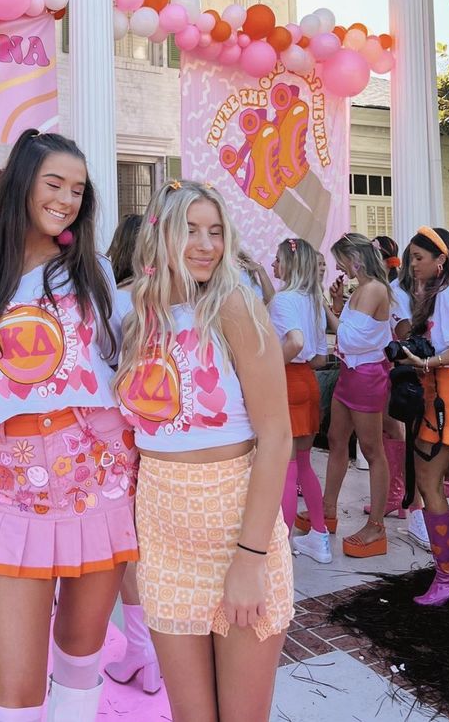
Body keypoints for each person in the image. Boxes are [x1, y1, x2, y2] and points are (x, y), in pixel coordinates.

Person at [0, 130, 138, 721]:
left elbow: (130, 370)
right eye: (54, 184)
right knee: (14, 687)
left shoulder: (96, 277)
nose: (67, 199)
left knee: (79, 658)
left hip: (101, 489)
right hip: (10, 498)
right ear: (21, 184)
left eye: (78, 189)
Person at [115, 180, 293, 722]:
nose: (205, 244)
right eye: (190, 230)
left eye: (215, 231)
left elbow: (278, 437)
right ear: (160, 234)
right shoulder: (135, 314)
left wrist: (250, 559)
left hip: (237, 534)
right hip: (165, 539)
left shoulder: (234, 305)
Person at [397, 227, 449, 606]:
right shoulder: (442, 294)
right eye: (411, 257)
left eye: (419, 258)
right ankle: (448, 577)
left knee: (428, 480)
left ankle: (447, 578)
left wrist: (430, 361)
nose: (412, 265)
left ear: (440, 260)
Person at [304, 233, 392, 557]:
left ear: (355, 257)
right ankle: (328, 510)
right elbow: (351, 332)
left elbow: (350, 338)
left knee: (371, 449)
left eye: (341, 259)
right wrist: (337, 305)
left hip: (367, 377)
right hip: (350, 374)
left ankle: (377, 527)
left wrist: (328, 308)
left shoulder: (374, 289)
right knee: (336, 438)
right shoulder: (361, 289)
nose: (338, 266)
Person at [104, 213, 161, 694]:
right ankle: (148, 649)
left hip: (114, 432)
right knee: (143, 543)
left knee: (127, 547)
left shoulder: (117, 297)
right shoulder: (173, 299)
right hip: (159, 433)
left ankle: (143, 648)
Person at [268, 238, 331, 563]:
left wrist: (266, 367)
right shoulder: (314, 301)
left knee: (286, 470)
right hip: (308, 379)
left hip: (287, 381)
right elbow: (320, 356)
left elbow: (295, 341)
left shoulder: (283, 301)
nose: (273, 266)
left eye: (277, 260)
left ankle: (282, 546)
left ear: (289, 264)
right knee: (304, 465)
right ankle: (319, 536)